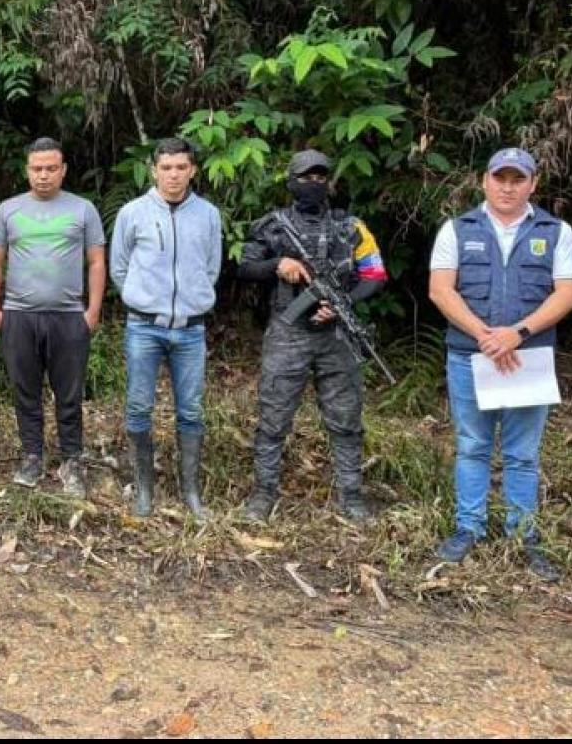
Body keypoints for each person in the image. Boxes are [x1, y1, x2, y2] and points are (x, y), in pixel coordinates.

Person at [428, 147, 572, 581]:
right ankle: (468, 528)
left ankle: (524, 535)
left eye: (518, 180)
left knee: (523, 454)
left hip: (528, 357)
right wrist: (484, 335)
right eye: (501, 178)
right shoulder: (457, 229)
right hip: (469, 355)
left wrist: (518, 334)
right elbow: (441, 290)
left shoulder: (556, 232)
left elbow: (568, 291)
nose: (508, 187)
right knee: (473, 445)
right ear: (485, 181)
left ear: (533, 184)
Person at [238, 149, 387, 525]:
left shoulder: (352, 228)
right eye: (306, 177)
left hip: (335, 335)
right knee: (273, 418)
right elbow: (245, 267)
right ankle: (263, 494)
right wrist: (278, 264)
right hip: (288, 332)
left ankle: (351, 497)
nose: (314, 184)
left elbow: (374, 274)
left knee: (346, 420)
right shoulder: (272, 226)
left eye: (321, 177)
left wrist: (342, 304)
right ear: (290, 181)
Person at [0, 137, 106, 497]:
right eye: (37, 169)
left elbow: (97, 261)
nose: (43, 176)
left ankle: (72, 460)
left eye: (51, 168)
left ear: (63, 170)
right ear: (27, 171)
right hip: (19, 316)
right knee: (26, 391)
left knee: (69, 394)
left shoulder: (83, 209)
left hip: (69, 316)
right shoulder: (8, 210)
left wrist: (93, 311)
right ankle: (32, 456)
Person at [110, 138, 222, 518]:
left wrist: (192, 300)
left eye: (181, 168)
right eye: (166, 168)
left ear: (192, 170)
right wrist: (141, 298)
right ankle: (144, 489)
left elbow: (211, 267)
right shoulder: (133, 213)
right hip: (145, 327)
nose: (173, 175)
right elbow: (119, 266)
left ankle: (190, 490)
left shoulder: (208, 215)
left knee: (190, 410)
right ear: (153, 169)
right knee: (139, 406)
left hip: (190, 329)